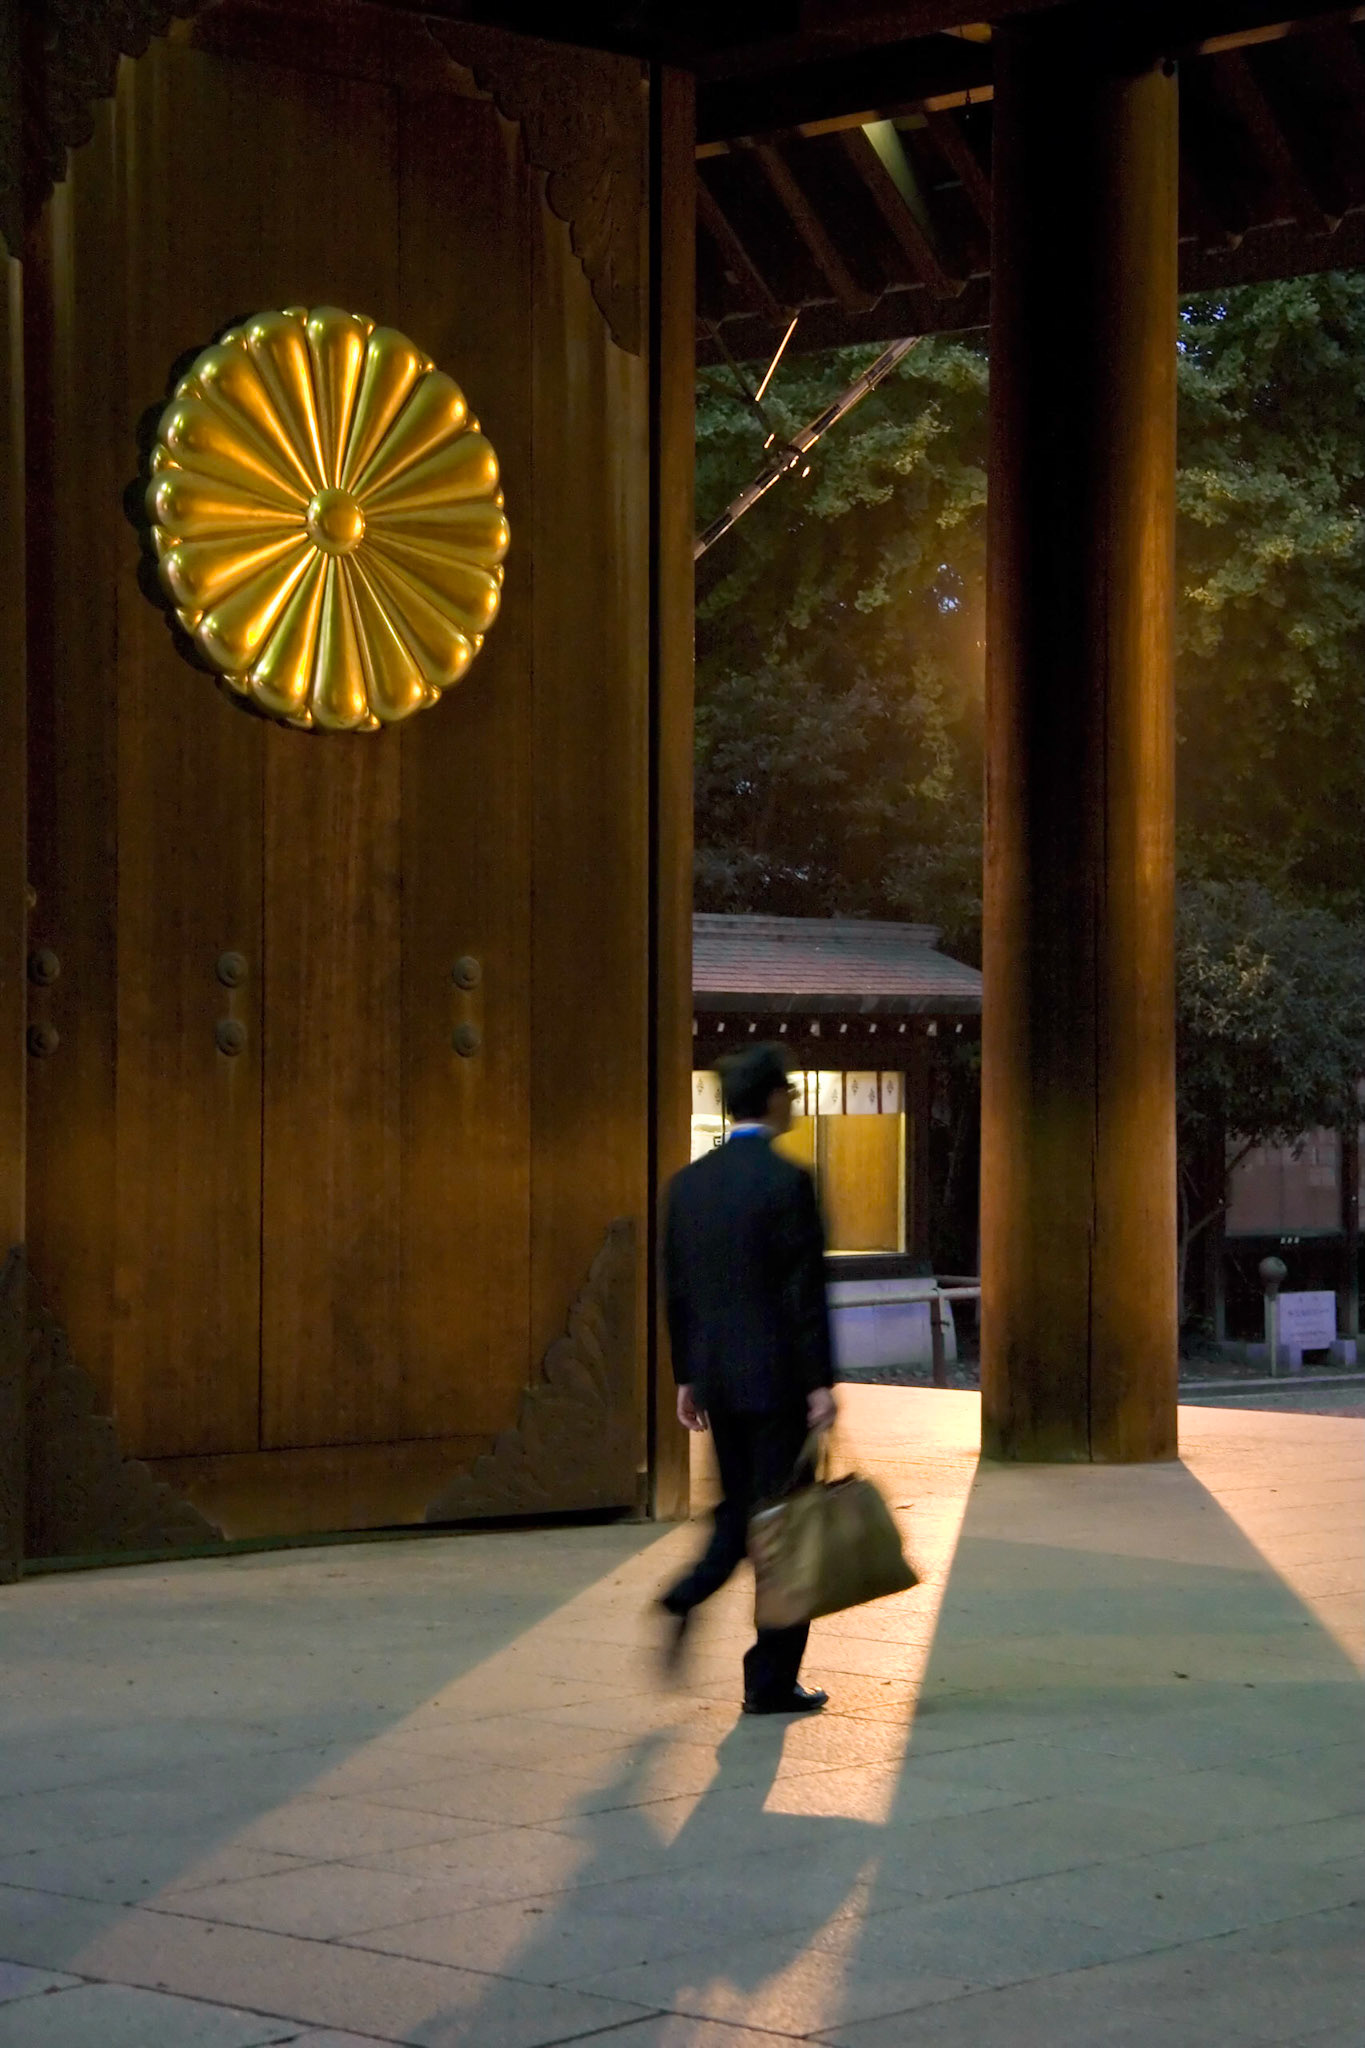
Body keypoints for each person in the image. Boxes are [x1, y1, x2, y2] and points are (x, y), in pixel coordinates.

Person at [659, 1042, 837, 1714]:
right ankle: (769, 1680)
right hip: (780, 1384)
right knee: (785, 1530)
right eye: (788, 1092)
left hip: (719, 1386)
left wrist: (687, 1377)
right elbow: (802, 1290)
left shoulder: (689, 1185)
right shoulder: (787, 1182)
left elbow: (678, 1291)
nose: (791, 1102)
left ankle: (687, 1592)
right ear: (771, 1099)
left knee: (737, 1509)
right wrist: (819, 1382)